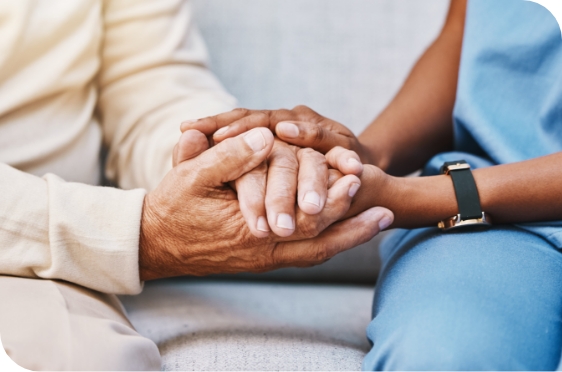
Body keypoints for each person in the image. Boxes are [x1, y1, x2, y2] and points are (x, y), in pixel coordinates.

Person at [0, 1, 394, 370]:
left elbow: (148, 86)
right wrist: (134, 233)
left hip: (43, 271)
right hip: (49, 237)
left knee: (93, 362)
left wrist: (226, 160)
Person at [184, 0, 562, 369]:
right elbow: (469, 37)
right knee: (443, 356)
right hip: (502, 232)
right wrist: (364, 155)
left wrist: (420, 197)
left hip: (470, 201)